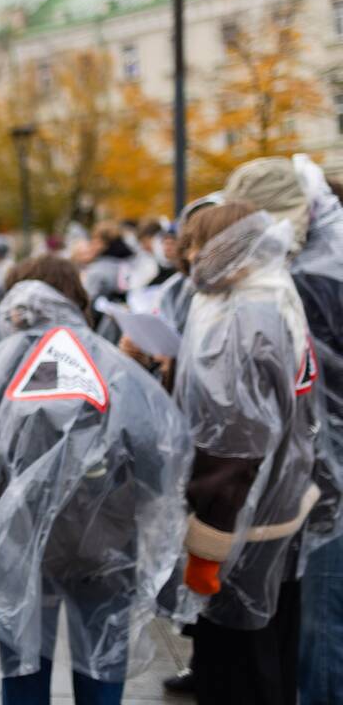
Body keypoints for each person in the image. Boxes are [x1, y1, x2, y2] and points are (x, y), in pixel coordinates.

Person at [0, 254, 191, 705]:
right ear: (78, 298)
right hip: (105, 548)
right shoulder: (113, 367)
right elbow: (157, 462)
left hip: (21, 547)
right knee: (100, 668)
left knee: (24, 675)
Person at [174, 202, 319, 705]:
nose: (188, 254)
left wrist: (206, 546)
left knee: (239, 668)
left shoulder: (240, 318)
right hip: (276, 506)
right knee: (269, 649)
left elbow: (233, 441)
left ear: (227, 246)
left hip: (240, 521)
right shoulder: (271, 295)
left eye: (197, 242)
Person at [221, 156, 343, 703]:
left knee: (322, 628)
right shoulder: (307, 276)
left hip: (319, 487)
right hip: (308, 482)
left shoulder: (307, 285)